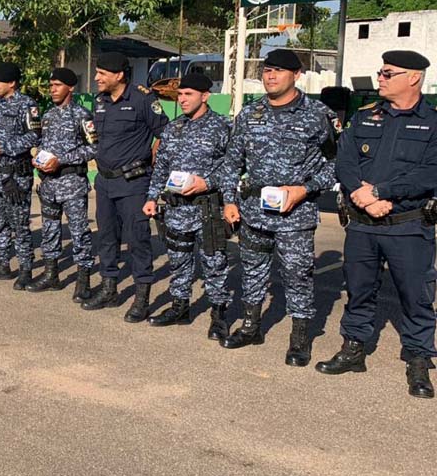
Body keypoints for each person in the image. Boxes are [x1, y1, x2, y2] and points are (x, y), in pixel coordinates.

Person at [318, 50, 437, 399]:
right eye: (380, 72)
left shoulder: (433, 124)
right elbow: (345, 159)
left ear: (413, 77)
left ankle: (418, 359)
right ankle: (354, 349)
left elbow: (430, 172)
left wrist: (383, 192)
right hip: (362, 225)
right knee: (358, 290)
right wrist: (359, 193)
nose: (380, 78)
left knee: (415, 296)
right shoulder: (365, 116)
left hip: (408, 226)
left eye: (388, 73)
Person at [217, 49, 338, 367]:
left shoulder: (317, 114)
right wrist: (229, 200)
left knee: (297, 275)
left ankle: (300, 339)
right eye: (267, 70)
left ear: (297, 75)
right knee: (253, 272)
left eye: (279, 71)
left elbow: (335, 164)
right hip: (253, 210)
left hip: (295, 214)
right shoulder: (249, 113)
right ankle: (251, 327)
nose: (270, 76)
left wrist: (305, 189)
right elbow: (232, 162)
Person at [142, 73, 231, 339]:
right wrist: (151, 196)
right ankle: (180, 307)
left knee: (214, 263)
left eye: (188, 94)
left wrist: (209, 183)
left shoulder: (222, 127)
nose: (182, 99)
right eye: (180, 94)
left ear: (205, 96)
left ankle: (219, 315)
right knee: (178, 261)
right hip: (177, 208)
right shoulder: (174, 127)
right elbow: (161, 166)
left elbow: (232, 168)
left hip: (207, 209)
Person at [83, 52, 169, 320]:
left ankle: (142, 297)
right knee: (106, 237)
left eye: (102, 74)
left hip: (133, 182)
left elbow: (165, 134)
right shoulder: (100, 102)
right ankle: (109, 288)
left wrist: (153, 162)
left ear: (119, 75)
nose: (97, 78)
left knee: (138, 239)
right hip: (105, 181)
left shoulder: (143, 100)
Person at [27, 67, 97, 298]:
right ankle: (51, 274)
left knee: (79, 232)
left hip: (72, 183)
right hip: (48, 184)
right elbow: (43, 145)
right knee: (49, 230)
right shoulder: (47, 115)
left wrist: (62, 160)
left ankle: (83, 281)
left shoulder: (82, 115)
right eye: (51, 86)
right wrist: (38, 159)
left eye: (57, 85)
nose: (53, 90)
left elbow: (94, 147)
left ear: (70, 87)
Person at [0, 61, 41, 289]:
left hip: (15, 177)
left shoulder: (27, 105)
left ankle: (25, 268)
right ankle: (2, 264)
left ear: (11, 83)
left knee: (19, 223)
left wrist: (1, 147)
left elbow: (34, 137)